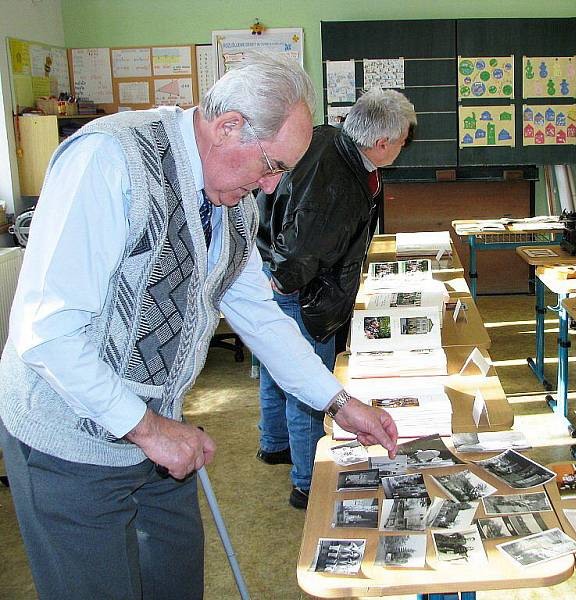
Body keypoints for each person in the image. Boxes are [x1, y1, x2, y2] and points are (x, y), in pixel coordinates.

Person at [0, 54, 398, 600]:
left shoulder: (230, 196)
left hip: (157, 430)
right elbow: (48, 332)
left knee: (176, 581)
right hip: (68, 441)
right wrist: (146, 427)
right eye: (271, 166)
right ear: (228, 125)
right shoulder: (110, 160)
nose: (268, 187)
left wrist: (339, 403)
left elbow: (258, 313)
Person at [255, 89, 416, 509]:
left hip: (276, 268)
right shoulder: (338, 186)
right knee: (309, 383)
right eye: (403, 141)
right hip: (302, 290)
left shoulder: (329, 137)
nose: (403, 148)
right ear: (382, 144)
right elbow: (300, 251)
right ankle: (307, 483)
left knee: (278, 364)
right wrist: (286, 283)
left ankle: (274, 444)